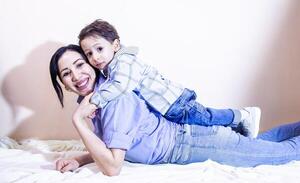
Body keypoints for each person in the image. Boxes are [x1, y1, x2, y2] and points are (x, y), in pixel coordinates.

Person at [50, 45, 300, 176]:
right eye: (66, 73)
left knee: (282, 154)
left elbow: (113, 167)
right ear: (63, 84)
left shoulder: (113, 98)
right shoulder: (99, 99)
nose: (76, 76)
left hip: (191, 144)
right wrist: (80, 159)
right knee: (265, 145)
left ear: (93, 64)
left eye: (80, 64)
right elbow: (116, 144)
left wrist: (78, 122)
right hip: (192, 140)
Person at [78, 19, 261, 138]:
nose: (95, 57)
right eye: (89, 54)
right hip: (166, 108)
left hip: (174, 101)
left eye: (99, 49)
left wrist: (94, 102)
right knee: (203, 129)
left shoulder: (123, 62)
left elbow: (121, 86)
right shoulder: (110, 69)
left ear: (115, 45)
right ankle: (238, 131)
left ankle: (243, 115)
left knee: (206, 118)